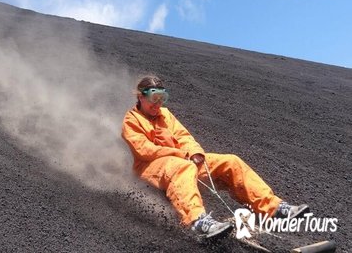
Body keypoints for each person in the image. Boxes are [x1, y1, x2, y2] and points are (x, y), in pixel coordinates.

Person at [121, 75, 309, 238]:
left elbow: (183, 136)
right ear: (140, 96)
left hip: (181, 162)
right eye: (154, 98)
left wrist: (194, 152)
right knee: (182, 166)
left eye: (162, 98)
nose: (158, 103)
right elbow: (145, 150)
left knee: (230, 161)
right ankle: (197, 221)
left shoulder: (165, 115)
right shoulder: (131, 120)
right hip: (150, 168)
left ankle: (274, 208)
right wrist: (181, 154)